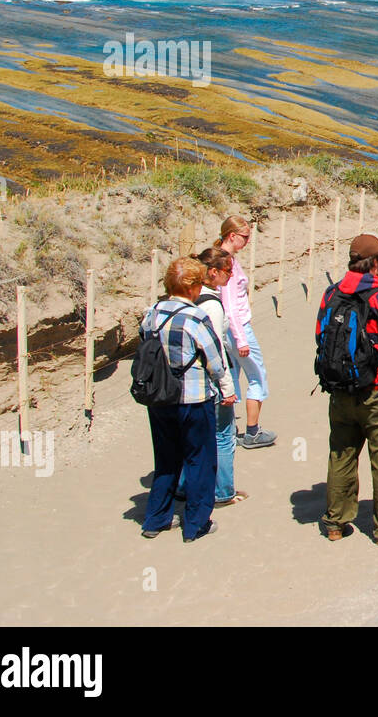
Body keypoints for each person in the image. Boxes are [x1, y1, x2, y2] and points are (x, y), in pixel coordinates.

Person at [315, 233, 378, 547]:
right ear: (376, 264)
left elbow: (320, 336)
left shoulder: (330, 294)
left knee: (341, 455)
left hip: (339, 391)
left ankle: (336, 521)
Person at [140, 257, 228, 543]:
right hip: (193, 397)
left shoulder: (152, 313)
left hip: (159, 398)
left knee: (165, 459)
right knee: (200, 460)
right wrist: (224, 385)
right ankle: (196, 523)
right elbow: (215, 361)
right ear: (191, 287)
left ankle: (156, 518)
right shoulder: (195, 317)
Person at [180, 247, 247, 507]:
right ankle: (223, 491)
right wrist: (228, 388)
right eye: (228, 270)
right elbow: (216, 349)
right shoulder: (212, 305)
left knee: (192, 435)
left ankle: (184, 486)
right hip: (213, 380)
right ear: (213, 272)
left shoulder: (190, 297)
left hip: (191, 380)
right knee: (223, 434)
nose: (231, 275)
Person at [216, 216, 276, 449]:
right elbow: (230, 305)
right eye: (245, 237)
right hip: (237, 329)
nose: (248, 241)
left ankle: (227, 430)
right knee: (257, 376)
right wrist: (241, 339)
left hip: (227, 330)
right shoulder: (226, 263)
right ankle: (252, 431)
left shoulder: (220, 258)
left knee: (231, 377)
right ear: (232, 236)